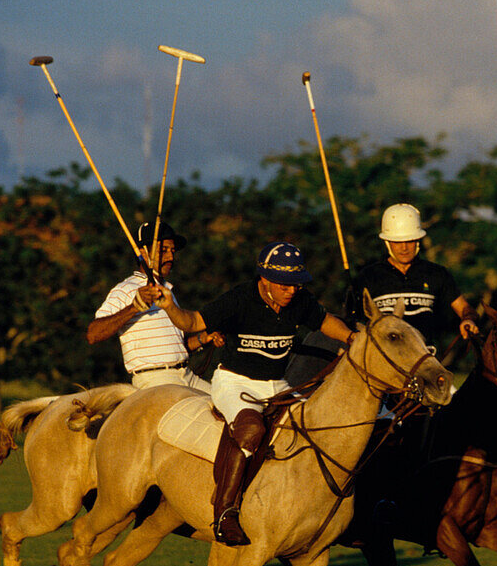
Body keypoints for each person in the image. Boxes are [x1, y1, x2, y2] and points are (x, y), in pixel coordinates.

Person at [152, 242, 354, 546]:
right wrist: (169, 306)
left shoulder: (299, 300)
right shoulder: (240, 298)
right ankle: (224, 513)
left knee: (313, 426)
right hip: (236, 383)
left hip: (277, 384)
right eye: (284, 285)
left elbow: (326, 323)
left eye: (296, 285)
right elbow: (192, 322)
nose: (291, 291)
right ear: (264, 279)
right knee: (250, 430)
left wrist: (355, 338)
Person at [87, 221, 220, 391]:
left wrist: (203, 339)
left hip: (186, 375)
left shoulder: (168, 291)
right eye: (163, 251)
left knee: (226, 408)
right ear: (142, 253)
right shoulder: (125, 289)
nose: (171, 257)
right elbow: (93, 334)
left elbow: (174, 348)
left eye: (172, 251)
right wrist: (134, 306)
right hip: (154, 380)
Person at [345, 203, 479, 345]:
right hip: (383, 362)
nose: (404, 248)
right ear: (387, 242)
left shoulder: (436, 273)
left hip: (426, 359)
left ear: (418, 240)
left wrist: (468, 319)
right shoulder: (369, 276)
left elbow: (464, 308)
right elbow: (352, 320)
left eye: (409, 241)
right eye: (397, 242)